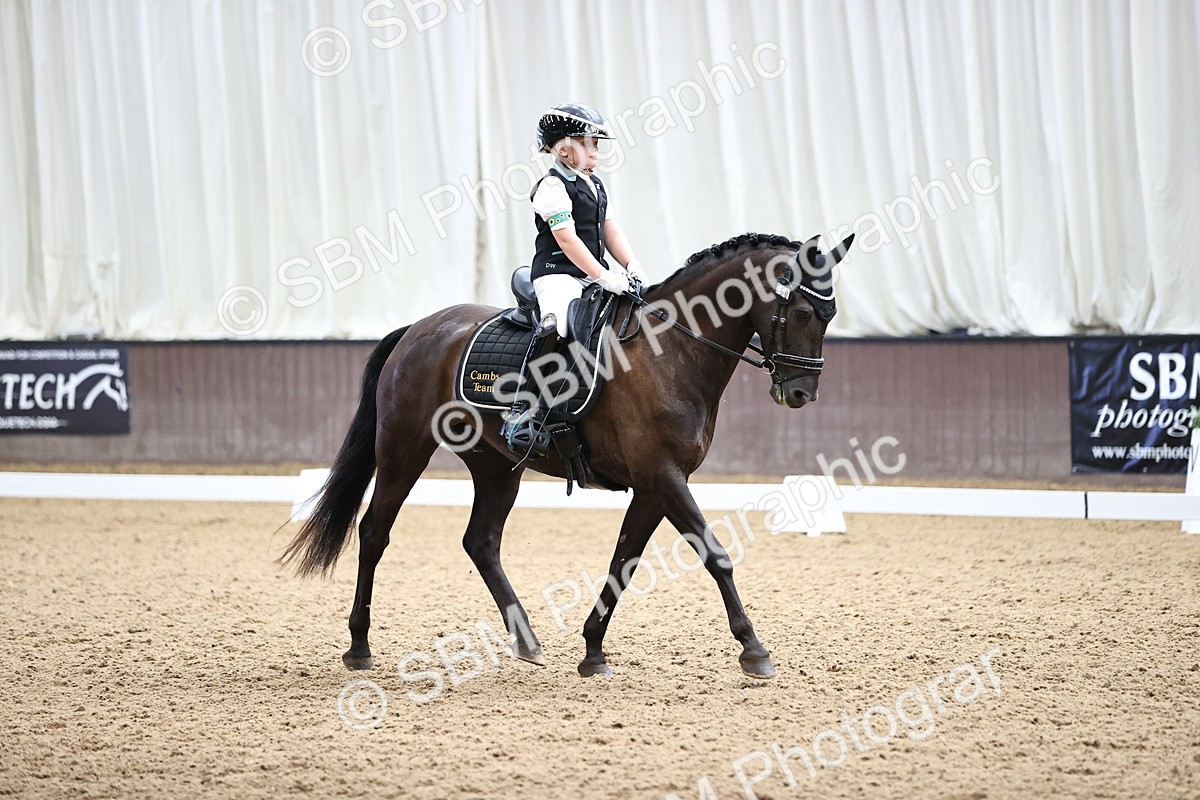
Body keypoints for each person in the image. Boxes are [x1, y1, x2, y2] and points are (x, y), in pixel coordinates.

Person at [502, 102, 648, 454]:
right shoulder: (551, 187)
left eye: (597, 143)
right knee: (557, 325)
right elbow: (567, 240)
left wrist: (632, 266)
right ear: (564, 149)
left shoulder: (595, 184)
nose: (596, 149)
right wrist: (603, 276)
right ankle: (523, 409)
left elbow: (611, 231)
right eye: (588, 143)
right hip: (557, 274)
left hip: (591, 275)